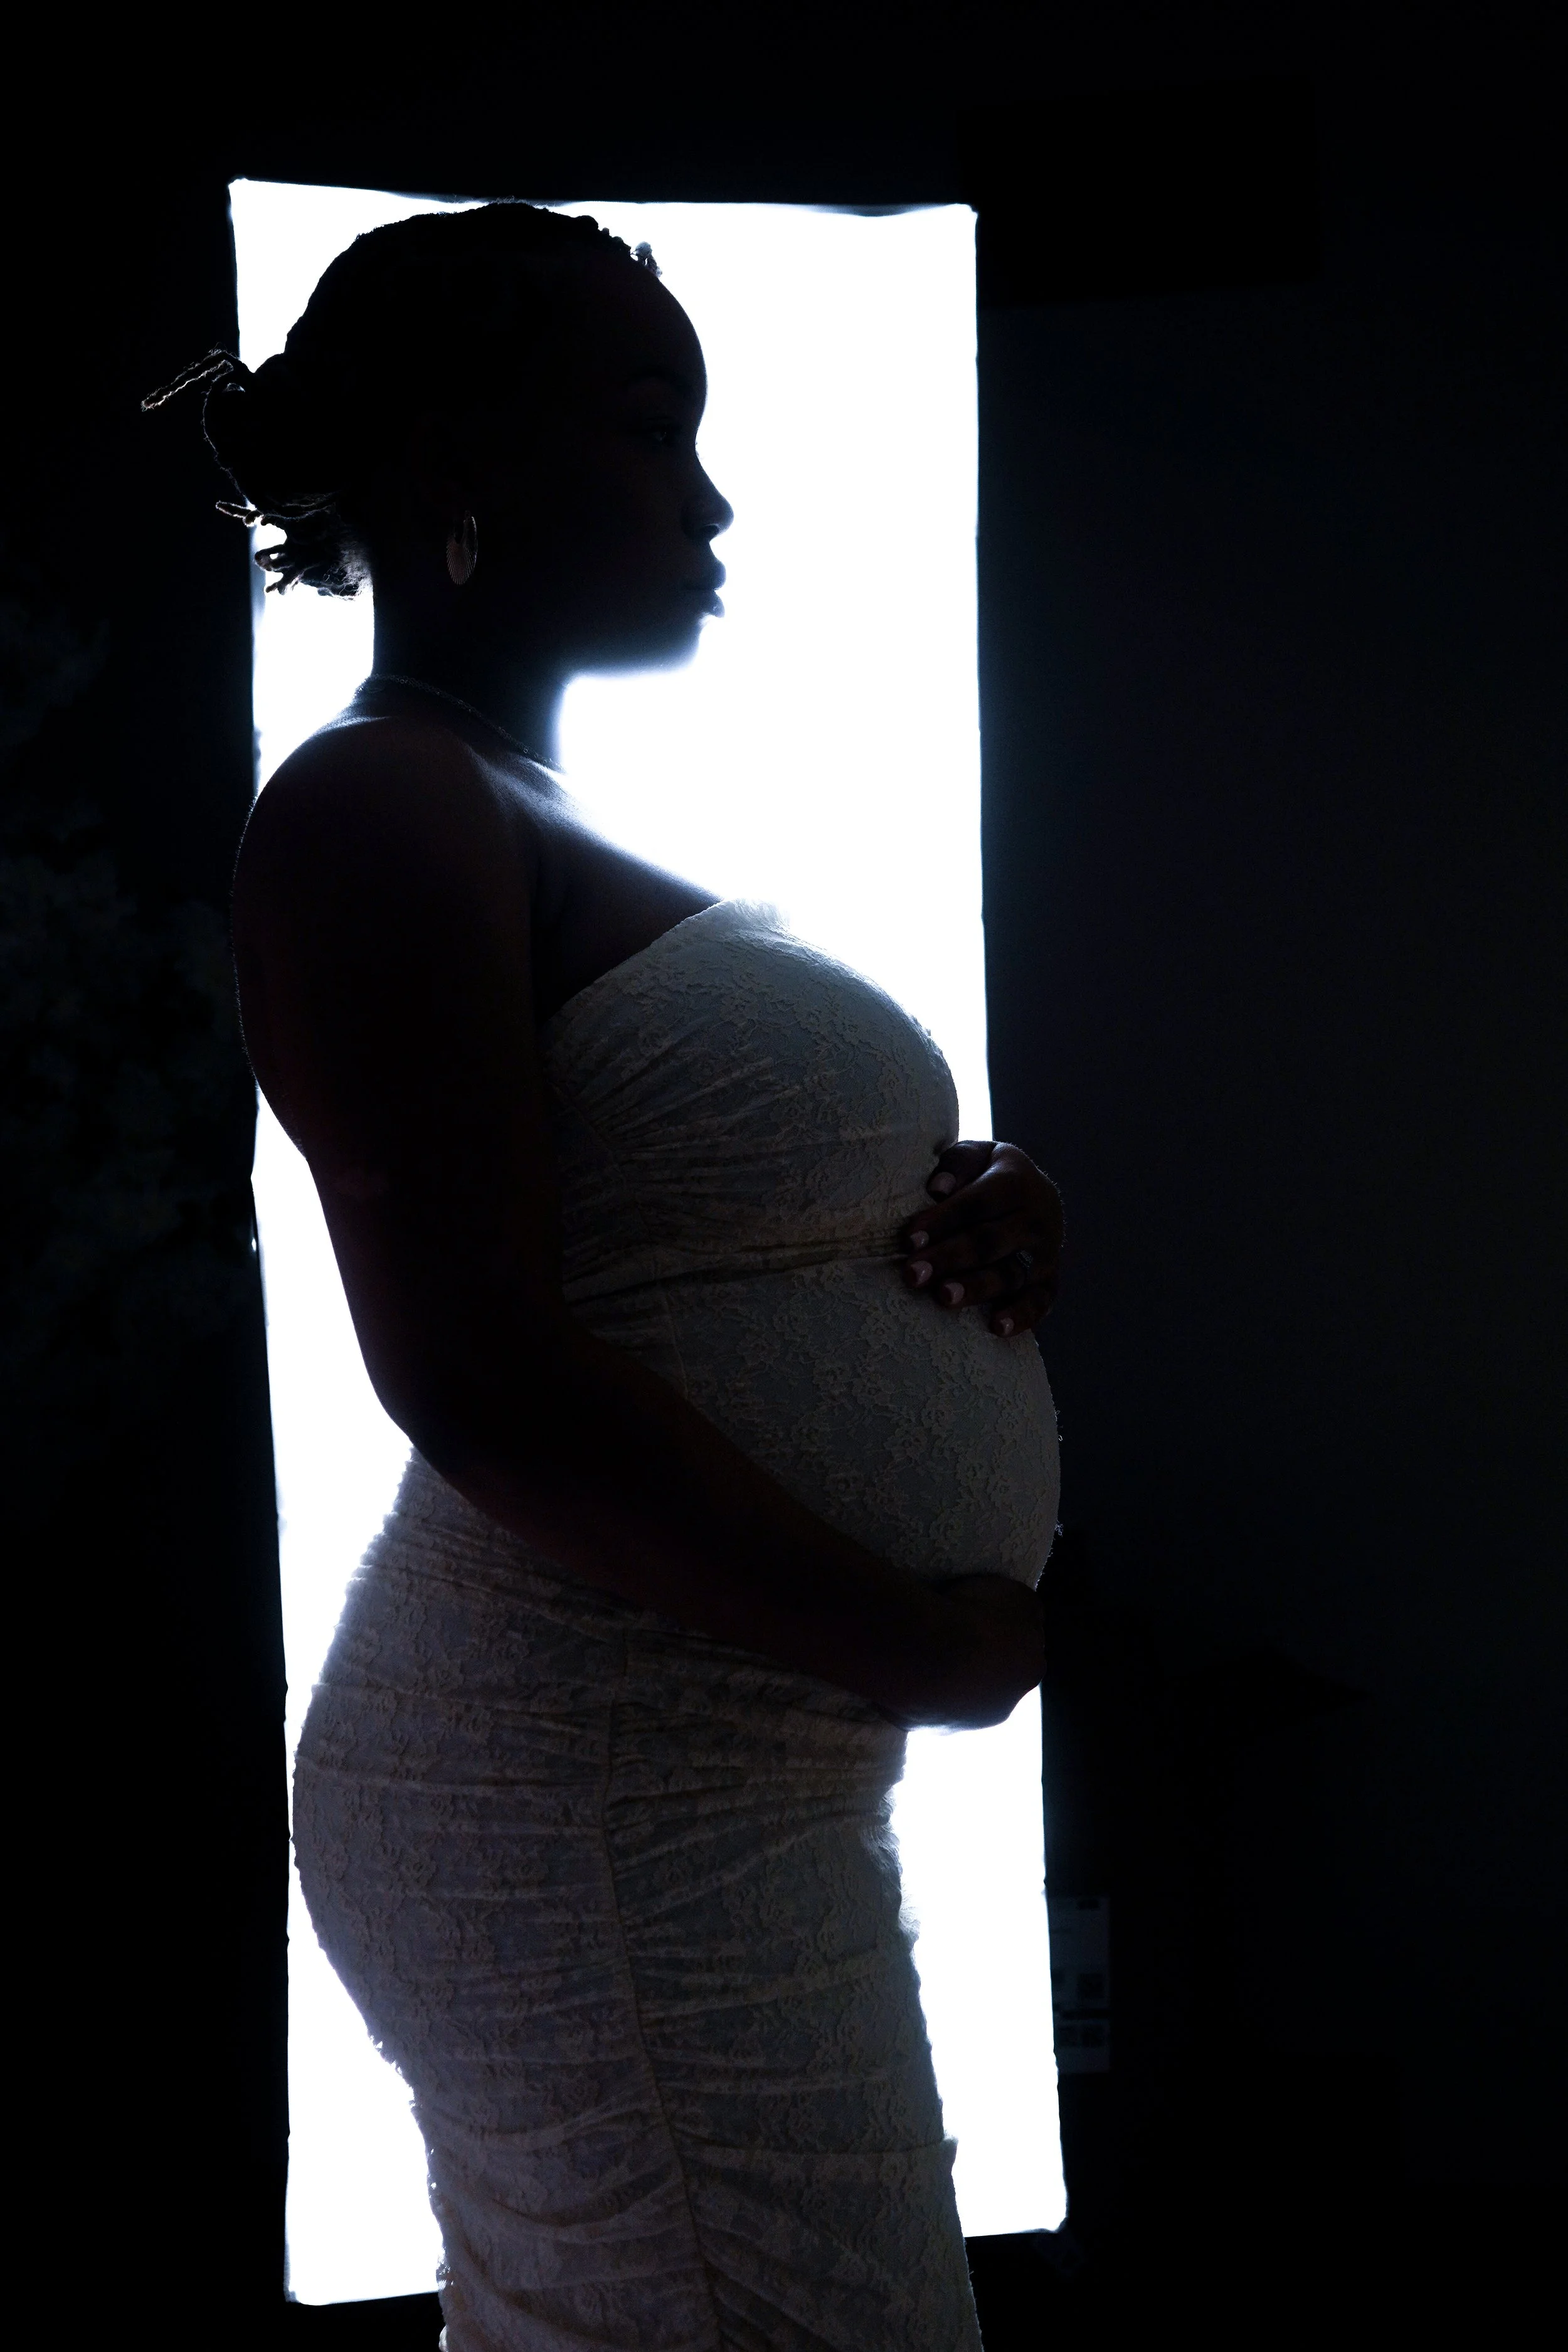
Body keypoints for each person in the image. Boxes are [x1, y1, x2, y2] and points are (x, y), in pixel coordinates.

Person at [150, 203, 1064, 2351]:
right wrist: (912, 1644)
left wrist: (970, 1212)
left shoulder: (510, 803)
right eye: (655, 429)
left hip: (696, 1760)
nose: (712, 497)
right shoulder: (380, 807)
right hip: (590, 1775)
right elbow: (477, 1373)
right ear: (461, 467)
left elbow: (675, 1221)